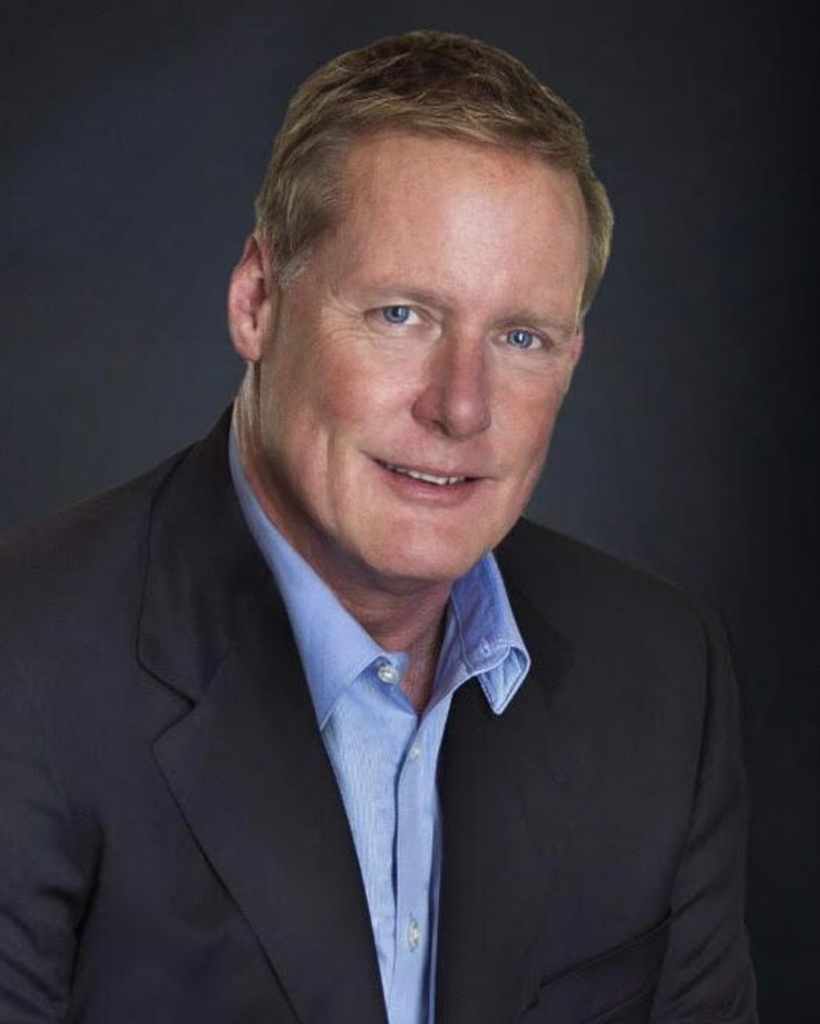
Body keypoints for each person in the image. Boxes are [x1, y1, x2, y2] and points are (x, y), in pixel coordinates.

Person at [0, 30, 757, 1024]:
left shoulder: (662, 675)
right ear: (257, 300)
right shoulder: (27, 665)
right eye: (402, 315)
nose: (460, 406)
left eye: (521, 337)